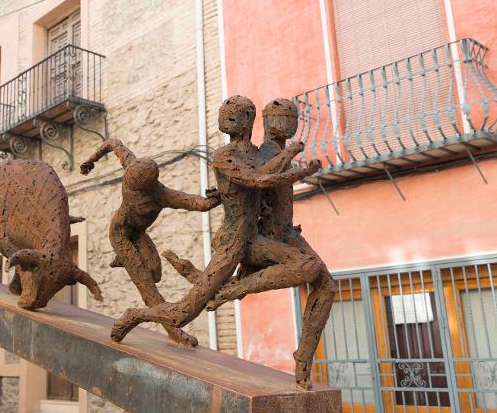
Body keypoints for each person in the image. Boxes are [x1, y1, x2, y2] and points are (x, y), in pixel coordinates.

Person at [110, 96, 319, 359]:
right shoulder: (223, 156)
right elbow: (258, 180)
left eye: (235, 112)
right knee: (181, 314)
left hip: (252, 239)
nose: (227, 115)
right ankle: (133, 316)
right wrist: (297, 167)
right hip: (232, 242)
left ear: (247, 120)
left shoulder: (254, 154)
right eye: (226, 110)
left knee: (309, 266)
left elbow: (265, 174)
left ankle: (229, 291)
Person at [203, 98, 334, 390]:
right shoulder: (263, 154)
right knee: (309, 268)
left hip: (288, 233)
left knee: (327, 284)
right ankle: (234, 289)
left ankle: (303, 359)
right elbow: (259, 179)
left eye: (292, 118)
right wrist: (293, 160)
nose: (288, 124)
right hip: (266, 236)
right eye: (280, 117)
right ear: (266, 120)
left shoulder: (273, 152)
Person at [80, 138, 221, 346]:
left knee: (155, 273)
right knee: (148, 287)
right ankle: (174, 332)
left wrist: (216, 198)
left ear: (147, 189)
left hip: (138, 235)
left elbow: (195, 202)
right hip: (120, 234)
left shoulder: (162, 195)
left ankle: (124, 259)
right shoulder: (131, 163)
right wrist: (90, 161)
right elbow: (112, 143)